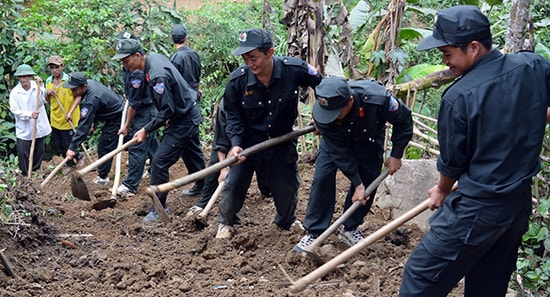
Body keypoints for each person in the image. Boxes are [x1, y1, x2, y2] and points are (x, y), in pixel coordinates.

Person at [399, 5, 550, 297]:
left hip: (479, 208)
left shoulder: (459, 97)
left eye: (448, 54)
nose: (445, 62)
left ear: (474, 47)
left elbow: (453, 162)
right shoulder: (533, 66)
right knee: (488, 282)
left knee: (420, 277)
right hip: (517, 206)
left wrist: (441, 190)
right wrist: (527, 118)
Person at [215, 28, 323, 239]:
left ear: (270, 52)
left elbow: (323, 84)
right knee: (234, 183)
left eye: (253, 57)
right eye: (245, 58)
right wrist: (236, 144)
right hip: (248, 143)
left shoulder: (293, 70)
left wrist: (320, 113)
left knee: (287, 186)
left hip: (281, 140)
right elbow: (233, 116)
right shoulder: (238, 81)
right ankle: (225, 222)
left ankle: (286, 222)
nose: (249, 63)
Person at [293, 76, 413, 252]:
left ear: (349, 101)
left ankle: (350, 228)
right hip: (336, 141)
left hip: (369, 139)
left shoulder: (378, 100)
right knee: (322, 177)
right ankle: (314, 232)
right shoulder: (325, 112)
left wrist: (396, 154)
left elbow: (404, 120)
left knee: (369, 181)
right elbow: (339, 152)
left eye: (336, 112)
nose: (332, 117)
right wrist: (356, 184)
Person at [112, 38, 205, 222]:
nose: (125, 65)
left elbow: (166, 109)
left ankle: (159, 208)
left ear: (137, 55)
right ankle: (204, 185)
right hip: (188, 111)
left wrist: (145, 129)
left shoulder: (156, 75)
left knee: (159, 162)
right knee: (191, 153)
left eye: (126, 61)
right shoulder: (153, 59)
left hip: (184, 119)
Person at [186, 97, 271, 217]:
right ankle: (203, 203)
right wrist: (223, 169)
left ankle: (267, 192)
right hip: (229, 134)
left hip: (254, 137)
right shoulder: (225, 105)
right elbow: (221, 142)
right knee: (216, 164)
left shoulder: (261, 99)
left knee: (262, 160)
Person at [115, 31, 159, 197]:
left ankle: (130, 185)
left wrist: (126, 126)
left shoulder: (137, 73)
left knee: (137, 147)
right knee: (151, 142)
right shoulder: (127, 65)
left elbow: (133, 104)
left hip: (145, 111)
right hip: (143, 109)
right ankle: (157, 167)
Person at [63, 72, 124, 184]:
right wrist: (93, 121)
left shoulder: (92, 98)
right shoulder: (89, 84)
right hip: (113, 112)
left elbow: (83, 126)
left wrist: (72, 147)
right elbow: (96, 108)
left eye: (75, 89)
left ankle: (103, 178)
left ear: (83, 86)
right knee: (127, 139)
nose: (72, 92)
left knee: (104, 146)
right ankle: (152, 159)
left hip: (117, 116)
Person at [169, 23, 206, 197]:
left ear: (172, 39)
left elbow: (174, 85)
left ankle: (202, 181)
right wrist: (197, 90)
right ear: (186, 38)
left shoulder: (176, 59)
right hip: (194, 100)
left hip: (184, 105)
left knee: (188, 145)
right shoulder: (194, 54)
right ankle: (202, 181)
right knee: (192, 144)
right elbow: (197, 77)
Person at [9, 64, 52, 176]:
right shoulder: (15, 93)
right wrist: (29, 114)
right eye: (21, 77)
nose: (23, 79)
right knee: (23, 152)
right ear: (18, 78)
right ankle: (24, 174)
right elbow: (15, 110)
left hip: (39, 124)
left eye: (26, 76)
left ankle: (35, 171)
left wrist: (42, 87)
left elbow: (43, 100)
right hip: (24, 127)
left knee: (39, 149)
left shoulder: (37, 87)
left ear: (30, 77)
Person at [44, 55, 83, 174]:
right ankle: (73, 161)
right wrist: (48, 92)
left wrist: (70, 112)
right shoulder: (48, 81)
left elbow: (78, 97)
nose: (54, 70)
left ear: (62, 67)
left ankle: (75, 160)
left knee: (68, 143)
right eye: (52, 67)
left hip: (69, 117)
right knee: (60, 144)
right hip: (56, 118)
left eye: (57, 67)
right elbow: (45, 99)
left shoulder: (69, 80)